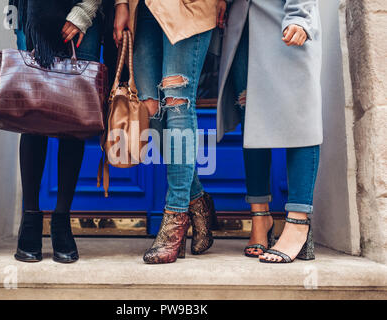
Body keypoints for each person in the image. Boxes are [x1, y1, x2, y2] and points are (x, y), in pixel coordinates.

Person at [114, 0, 227, 264]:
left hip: (188, 8)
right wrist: (121, 4)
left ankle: (175, 217)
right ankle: (198, 202)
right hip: (141, 10)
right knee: (150, 111)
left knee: (177, 104)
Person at [217, 0, 322, 263]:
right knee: (251, 120)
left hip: (286, 18)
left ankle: (298, 222)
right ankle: (260, 218)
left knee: (300, 119)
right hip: (243, 24)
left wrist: (300, 16)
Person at [10, 0, 102, 263]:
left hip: (84, 16)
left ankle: (61, 219)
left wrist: (84, 11)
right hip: (32, 15)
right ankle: (30, 220)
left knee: (74, 118)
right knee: (33, 116)